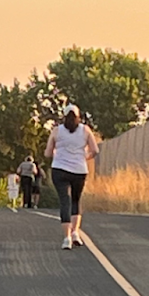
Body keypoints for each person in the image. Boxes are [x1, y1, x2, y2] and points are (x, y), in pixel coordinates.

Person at [45, 104, 100, 250]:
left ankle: (66, 238)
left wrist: (59, 153)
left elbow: (48, 153)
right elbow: (95, 150)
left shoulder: (57, 131)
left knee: (65, 202)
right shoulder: (85, 130)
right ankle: (75, 232)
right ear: (78, 116)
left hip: (60, 169)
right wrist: (84, 157)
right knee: (76, 200)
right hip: (79, 170)